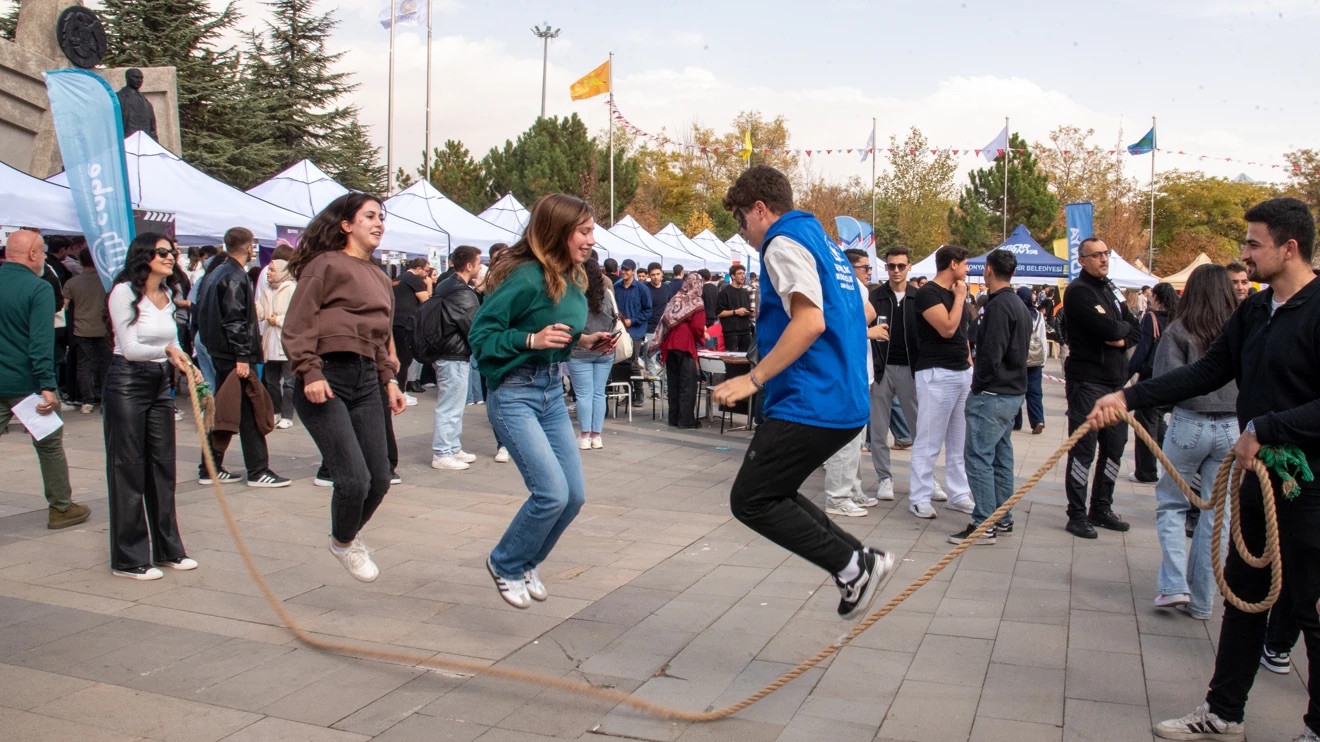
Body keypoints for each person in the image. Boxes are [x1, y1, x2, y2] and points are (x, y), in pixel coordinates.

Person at [1089, 198, 1320, 742]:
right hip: (1255, 481)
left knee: (1310, 607)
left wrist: (1265, 428)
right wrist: (1129, 395)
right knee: (1243, 597)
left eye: (1254, 243)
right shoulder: (1255, 311)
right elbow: (1208, 371)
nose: (1245, 254)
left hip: (1309, 486)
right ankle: (1223, 712)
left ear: (1289, 248)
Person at [712, 165, 893, 620]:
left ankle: (853, 566)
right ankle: (858, 560)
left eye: (740, 219)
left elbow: (810, 322)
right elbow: (864, 311)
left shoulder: (782, 242)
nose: (742, 231)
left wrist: (752, 379)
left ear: (759, 209)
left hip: (811, 398)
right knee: (775, 489)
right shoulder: (825, 243)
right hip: (843, 396)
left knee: (751, 499)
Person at [468, 193, 617, 608]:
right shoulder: (526, 277)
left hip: (551, 390)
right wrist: (530, 340)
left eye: (592, 231)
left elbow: (556, 332)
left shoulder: (573, 277)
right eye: (584, 231)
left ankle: (527, 561)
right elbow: (481, 336)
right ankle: (505, 562)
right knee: (551, 493)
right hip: (515, 393)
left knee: (574, 496)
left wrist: (584, 340)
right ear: (559, 230)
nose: (591, 240)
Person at [284, 193, 407, 582]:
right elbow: (298, 323)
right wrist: (309, 371)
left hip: (367, 379)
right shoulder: (325, 264)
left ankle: (345, 540)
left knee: (381, 477)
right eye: (369, 216)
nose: (379, 223)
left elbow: (379, 338)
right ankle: (345, 541)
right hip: (326, 375)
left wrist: (389, 380)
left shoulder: (380, 276)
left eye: (381, 217)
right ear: (346, 224)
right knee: (353, 480)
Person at [1134, 266, 1236, 617]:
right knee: (1217, 515)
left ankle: (1175, 584)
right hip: (1231, 425)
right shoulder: (1239, 328)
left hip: (1190, 420)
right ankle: (1203, 599)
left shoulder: (1179, 329)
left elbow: (1167, 381)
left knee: (1172, 504)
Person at [104, 233, 198, 580]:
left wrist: (186, 363)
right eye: (162, 252)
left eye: (172, 252)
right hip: (127, 382)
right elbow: (129, 348)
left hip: (160, 382)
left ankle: (169, 549)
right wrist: (168, 353)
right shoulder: (123, 293)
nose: (170, 256)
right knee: (128, 467)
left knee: (163, 465)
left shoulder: (168, 295)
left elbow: (173, 341)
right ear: (144, 256)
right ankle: (128, 558)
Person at [0, 230, 89, 529]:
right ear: (33, 254)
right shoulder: (37, 288)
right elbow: (40, 342)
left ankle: (63, 507)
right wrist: (48, 385)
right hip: (27, 384)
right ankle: (61, 507)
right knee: (49, 444)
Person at [194, 227, 289, 488]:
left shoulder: (217, 273)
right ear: (249, 247)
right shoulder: (234, 276)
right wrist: (242, 355)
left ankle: (210, 467)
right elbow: (234, 319)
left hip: (219, 351)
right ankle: (257, 470)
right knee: (248, 409)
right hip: (232, 354)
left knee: (226, 408)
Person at [1060, 237, 1141, 538]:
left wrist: (1121, 336)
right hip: (1088, 383)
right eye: (1096, 255)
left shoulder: (1110, 288)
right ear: (1082, 260)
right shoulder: (1078, 291)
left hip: (1116, 385)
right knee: (1083, 449)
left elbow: (1134, 327)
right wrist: (1118, 331)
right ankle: (1077, 513)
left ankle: (1101, 506)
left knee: (1114, 449)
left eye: (1106, 254)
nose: (1103, 259)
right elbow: (1108, 328)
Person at [948, 250, 1029, 545]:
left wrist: (979, 385)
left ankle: (984, 522)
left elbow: (992, 352)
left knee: (979, 456)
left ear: (989, 270)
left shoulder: (999, 306)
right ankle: (1002, 517)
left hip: (993, 392)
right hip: (1011, 391)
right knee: (1001, 456)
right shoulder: (1017, 303)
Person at [908, 245, 977, 519]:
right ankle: (919, 497)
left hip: (961, 372)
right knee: (929, 440)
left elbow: (962, 334)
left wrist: (970, 365)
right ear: (953, 264)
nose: (968, 270)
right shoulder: (928, 293)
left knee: (959, 441)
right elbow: (947, 328)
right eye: (965, 264)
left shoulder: (955, 292)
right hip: (936, 373)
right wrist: (959, 298)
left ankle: (958, 494)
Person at [823, 249, 886, 517]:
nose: (869, 272)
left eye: (870, 268)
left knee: (857, 439)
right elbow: (835, 328)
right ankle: (837, 497)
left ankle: (852, 489)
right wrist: (867, 331)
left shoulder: (855, 287)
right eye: (864, 267)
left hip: (860, 373)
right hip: (846, 374)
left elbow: (866, 312)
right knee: (846, 439)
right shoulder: (841, 286)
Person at [867, 246, 933, 502]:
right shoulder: (875, 296)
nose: (896, 270)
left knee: (920, 429)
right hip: (881, 369)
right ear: (886, 267)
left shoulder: (920, 297)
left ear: (909, 266)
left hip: (911, 370)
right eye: (891, 266)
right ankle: (884, 478)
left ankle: (927, 478)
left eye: (901, 266)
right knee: (879, 429)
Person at [429, 246, 483, 471]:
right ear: (469, 266)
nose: (480, 267)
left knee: (455, 403)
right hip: (453, 353)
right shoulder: (461, 292)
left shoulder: (447, 284)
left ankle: (452, 447)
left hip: (449, 351)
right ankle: (442, 451)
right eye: (478, 262)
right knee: (450, 404)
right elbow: (472, 326)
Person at [568, 259, 621, 447]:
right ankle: (596, 436)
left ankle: (584, 436)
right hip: (605, 349)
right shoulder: (607, 293)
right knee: (599, 394)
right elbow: (616, 317)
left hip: (579, 351)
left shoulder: (574, 295)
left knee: (583, 395)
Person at [1128, 282, 1178, 483]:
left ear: (1156, 298)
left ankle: (1146, 471)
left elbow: (1142, 349)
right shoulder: (1178, 318)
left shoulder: (1151, 318)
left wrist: (1126, 375)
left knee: (1146, 426)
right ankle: (1172, 464)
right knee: (1159, 423)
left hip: (1151, 378)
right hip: (1173, 379)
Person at [62, 248, 111, 414]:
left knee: (84, 366)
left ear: (81, 262)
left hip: (81, 330)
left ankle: (87, 402)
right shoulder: (108, 283)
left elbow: (63, 306)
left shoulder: (72, 283)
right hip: (105, 330)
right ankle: (105, 401)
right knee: (106, 366)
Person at [657, 273, 707, 429]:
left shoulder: (676, 298)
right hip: (685, 344)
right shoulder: (696, 302)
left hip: (670, 344)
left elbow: (665, 320)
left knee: (674, 383)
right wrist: (702, 340)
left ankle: (673, 418)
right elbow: (698, 326)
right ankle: (685, 420)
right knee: (687, 383)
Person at [256, 258, 297, 429]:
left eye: (272, 270)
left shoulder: (291, 289)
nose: (269, 273)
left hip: (286, 342)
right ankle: (276, 411)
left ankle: (287, 415)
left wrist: (278, 320)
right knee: (271, 380)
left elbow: (297, 316)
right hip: (270, 342)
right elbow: (260, 311)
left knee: (289, 382)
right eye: (269, 270)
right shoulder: (267, 289)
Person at [392, 257, 433, 401]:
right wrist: (429, 285)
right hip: (406, 323)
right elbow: (427, 302)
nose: (427, 275)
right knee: (405, 359)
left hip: (394, 322)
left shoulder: (399, 278)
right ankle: (400, 392)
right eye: (426, 271)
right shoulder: (414, 279)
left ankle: (396, 390)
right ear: (418, 268)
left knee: (397, 358)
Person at [612, 258, 652, 406]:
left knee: (633, 363)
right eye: (622, 269)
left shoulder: (642, 289)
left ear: (633, 271)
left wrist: (633, 320)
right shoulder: (616, 287)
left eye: (626, 269)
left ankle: (639, 392)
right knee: (620, 362)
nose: (623, 272)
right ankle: (627, 393)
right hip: (620, 331)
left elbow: (648, 310)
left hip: (635, 331)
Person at [1012, 286, 1047, 434]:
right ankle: (1038, 420)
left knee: (1016, 390)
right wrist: (1043, 359)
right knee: (1035, 392)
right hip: (1035, 358)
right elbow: (1042, 338)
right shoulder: (1038, 315)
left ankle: (1016, 422)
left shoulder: (1016, 312)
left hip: (1018, 358)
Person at [715, 264, 754, 352]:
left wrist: (750, 313)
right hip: (731, 332)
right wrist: (735, 312)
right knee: (732, 358)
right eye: (740, 273)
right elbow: (719, 313)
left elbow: (746, 309)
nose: (743, 276)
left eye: (744, 273)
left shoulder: (745, 292)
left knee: (745, 358)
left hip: (745, 331)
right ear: (733, 276)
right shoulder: (724, 293)